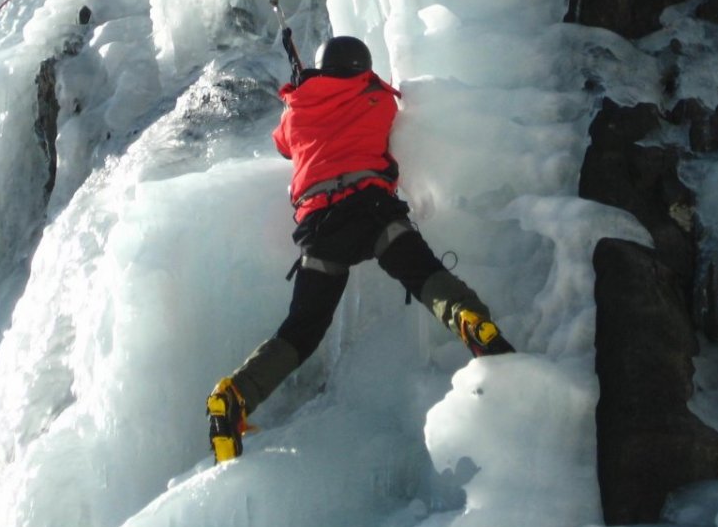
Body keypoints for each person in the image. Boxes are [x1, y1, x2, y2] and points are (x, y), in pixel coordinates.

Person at [207, 34, 514, 462]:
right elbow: (382, 103)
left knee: (303, 329)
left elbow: (283, 143)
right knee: (424, 276)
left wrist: (302, 90)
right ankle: (471, 321)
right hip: (373, 212)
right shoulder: (377, 99)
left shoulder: (295, 113)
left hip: (321, 229)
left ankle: (235, 395)